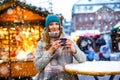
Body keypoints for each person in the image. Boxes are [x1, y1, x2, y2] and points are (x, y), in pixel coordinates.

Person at [34, 14, 86, 80]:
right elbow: (38, 66)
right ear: (47, 27)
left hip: (67, 77)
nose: (54, 26)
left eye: (56, 24)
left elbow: (83, 59)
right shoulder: (42, 43)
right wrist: (50, 51)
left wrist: (74, 50)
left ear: (59, 26)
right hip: (48, 78)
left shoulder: (68, 40)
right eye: (51, 24)